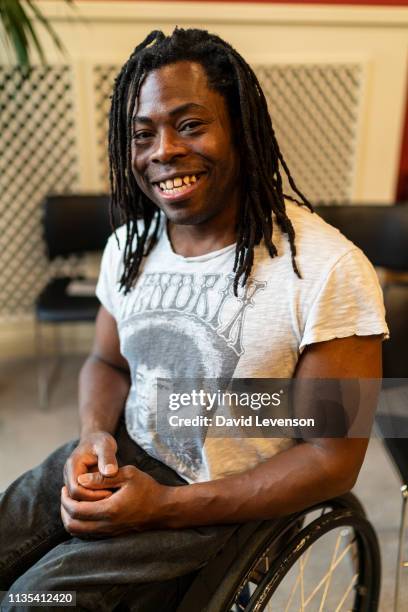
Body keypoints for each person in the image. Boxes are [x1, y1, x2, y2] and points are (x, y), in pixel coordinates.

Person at [0, 28, 388, 611]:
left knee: (34, 604)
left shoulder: (328, 269)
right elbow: (106, 361)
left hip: (218, 499)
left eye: (189, 124)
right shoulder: (130, 245)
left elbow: (331, 459)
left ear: (241, 128)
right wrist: (95, 434)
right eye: (142, 133)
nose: (163, 152)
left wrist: (162, 506)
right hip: (126, 451)